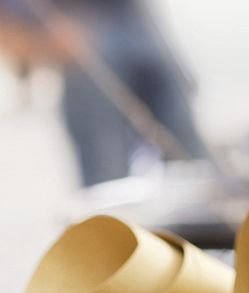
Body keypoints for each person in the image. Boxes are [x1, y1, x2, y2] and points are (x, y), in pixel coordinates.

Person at [0, 0, 207, 186]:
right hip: (83, 48)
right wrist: (39, 42)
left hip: (139, 25)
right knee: (107, 175)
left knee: (192, 162)